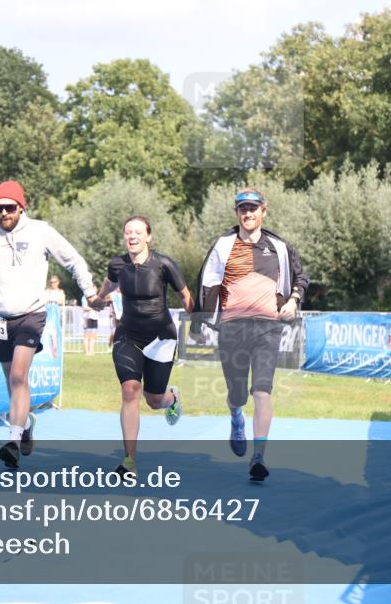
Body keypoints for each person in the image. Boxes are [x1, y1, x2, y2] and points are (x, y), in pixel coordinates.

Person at [0, 180, 97, 468]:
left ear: (21, 207)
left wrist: (88, 289)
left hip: (31, 314)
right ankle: (25, 423)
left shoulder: (40, 231)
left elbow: (73, 259)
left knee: (18, 375)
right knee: (11, 381)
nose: (4, 213)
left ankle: (13, 441)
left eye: (10, 208)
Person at [193, 188, 308, 482]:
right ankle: (235, 418)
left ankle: (259, 457)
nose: (248, 213)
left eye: (253, 208)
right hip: (232, 328)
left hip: (267, 327)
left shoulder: (279, 246)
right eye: (243, 209)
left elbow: (300, 277)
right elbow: (206, 281)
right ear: (237, 213)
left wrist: (294, 300)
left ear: (263, 211)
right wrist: (201, 321)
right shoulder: (223, 245)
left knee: (262, 391)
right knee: (237, 393)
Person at [88, 215, 194, 477]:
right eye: (128, 232)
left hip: (161, 336)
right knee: (130, 390)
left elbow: (186, 296)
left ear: (148, 237)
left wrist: (200, 324)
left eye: (137, 232)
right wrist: (98, 299)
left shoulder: (164, 264)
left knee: (154, 400)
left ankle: (172, 397)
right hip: (128, 335)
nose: (132, 236)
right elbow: (109, 286)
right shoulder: (117, 265)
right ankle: (129, 461)